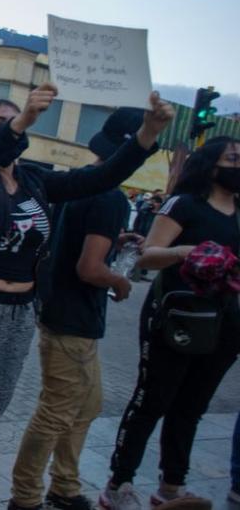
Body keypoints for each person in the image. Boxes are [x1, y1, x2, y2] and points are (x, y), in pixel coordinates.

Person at [0, 89, 175, 510]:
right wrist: (21, 120)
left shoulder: (37, 181)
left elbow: (99, 179)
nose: (14, 125)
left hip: (17, 318)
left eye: (19, 118)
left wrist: (147, 134)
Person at [8, 108, 148, 510]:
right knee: (57, 410)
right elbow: (90, 268)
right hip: (74, 319)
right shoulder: (111, 198)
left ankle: (64, 485)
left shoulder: (83, 189)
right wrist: (120, 280)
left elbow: (74, 244)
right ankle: (26, 496)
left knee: (87, 404)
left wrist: (113, 239)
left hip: (64, 312)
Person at [99, 136, 240, 510]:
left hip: (224, 323)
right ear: (211, 164)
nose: (238, 164)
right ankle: (118, 483)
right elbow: (147, 256)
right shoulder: (184, 204)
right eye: (233, 158)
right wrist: (183, 252)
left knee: (192, 407)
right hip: (177, 318)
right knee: (152, 401)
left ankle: (172, 486)